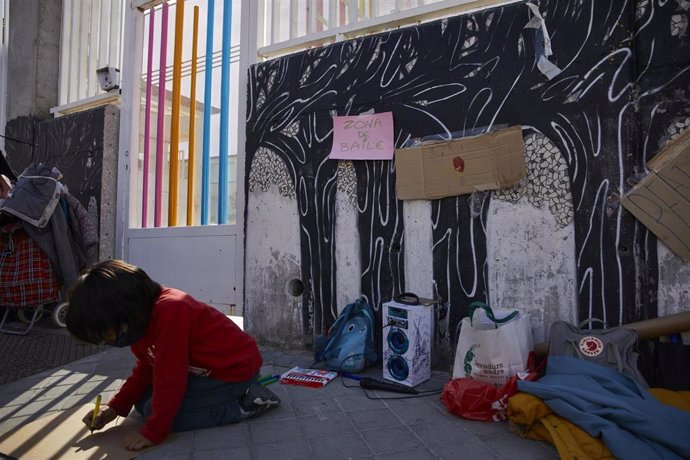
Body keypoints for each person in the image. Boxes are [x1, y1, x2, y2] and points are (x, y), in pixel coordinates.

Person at [66, 259, 280, 451]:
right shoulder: (140, 319)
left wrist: (154, 432)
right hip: (202, 369)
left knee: (157, 412)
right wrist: (115, 407)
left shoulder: (171, 310)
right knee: (142, 402)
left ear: (125, 311)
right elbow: (147, 367)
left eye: (109, 334)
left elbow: (170, 379)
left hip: (232, 371)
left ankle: (246, 405)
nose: (111, 342)